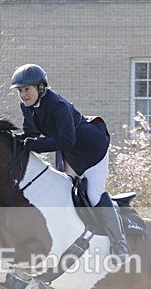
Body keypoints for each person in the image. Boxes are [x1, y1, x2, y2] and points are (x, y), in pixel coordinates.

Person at [10, 63, 131, 261]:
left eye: (27, 89)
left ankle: (120, 244)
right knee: (63, 192)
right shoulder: (27, 106)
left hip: (92, 150)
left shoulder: (58, 105)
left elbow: (66, 140)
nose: (23, 95)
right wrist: (14, 139)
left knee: (93, 194)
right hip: (70, 153)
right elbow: (31, 133)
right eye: (20, 91)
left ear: (40, 88)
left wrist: (33, 144)